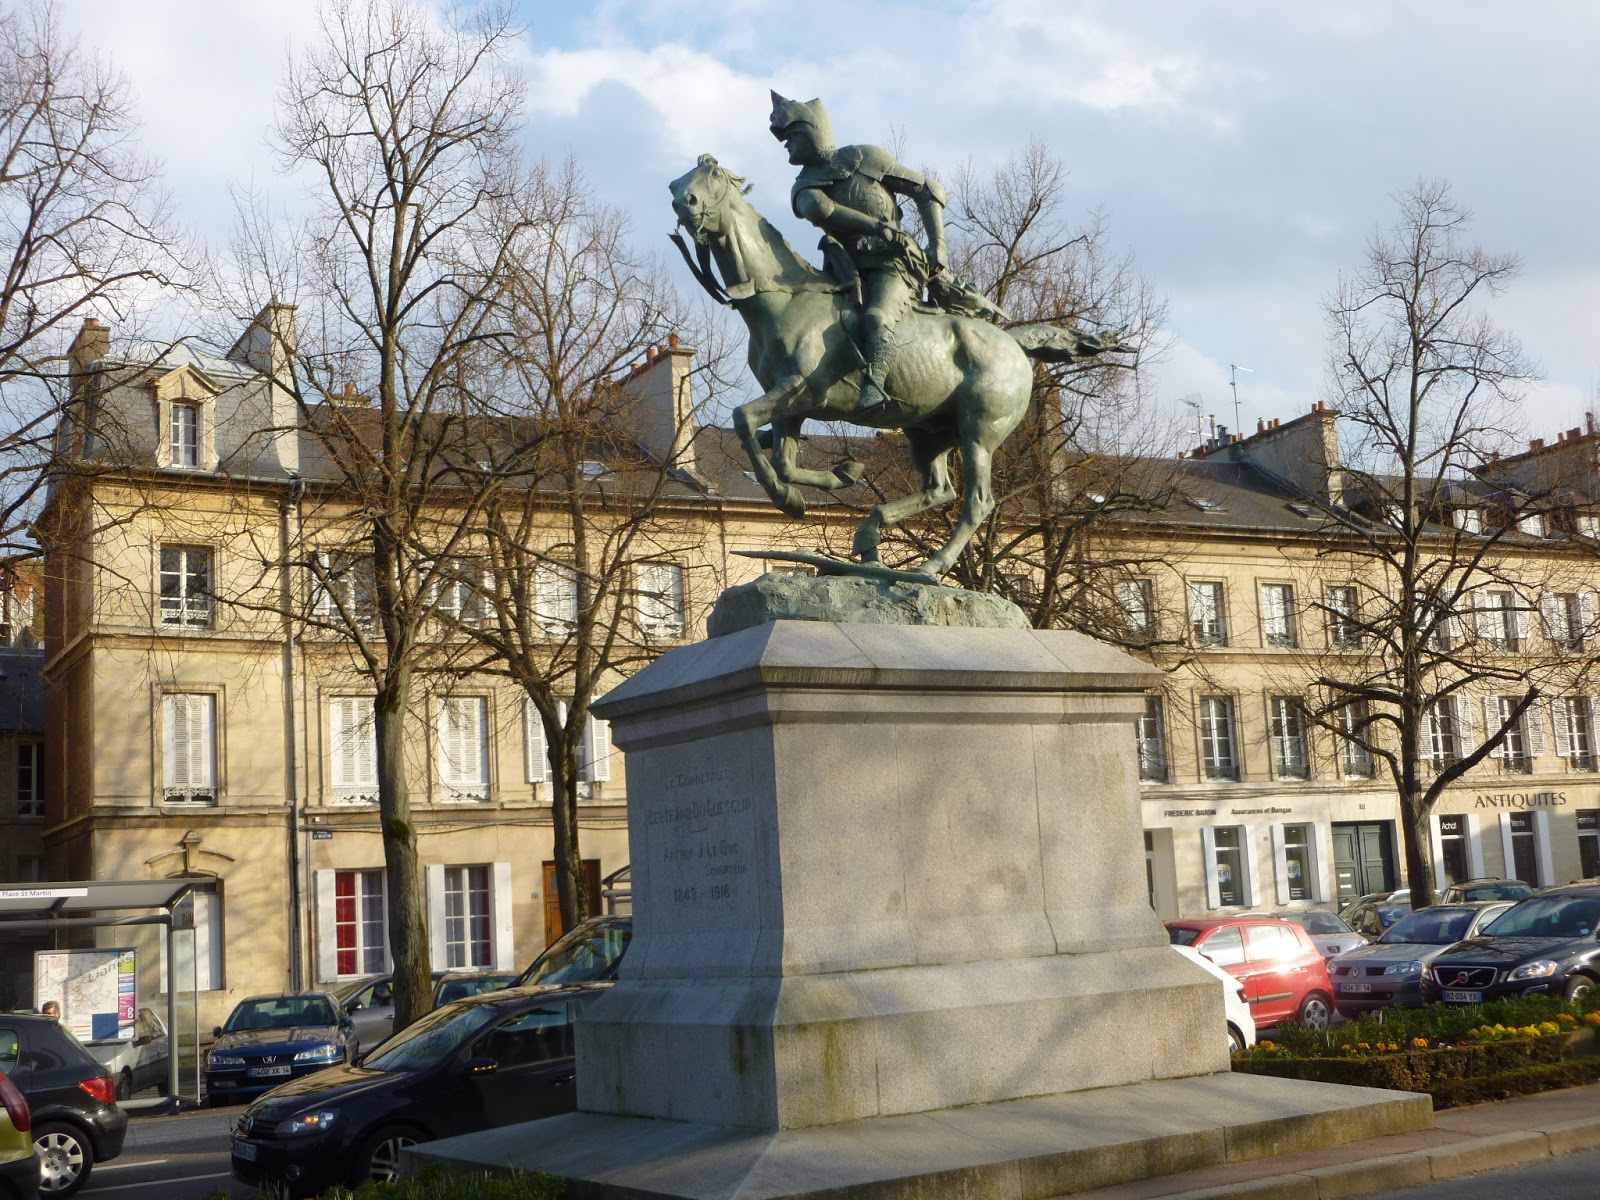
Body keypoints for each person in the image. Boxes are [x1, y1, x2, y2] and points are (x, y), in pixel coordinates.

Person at [769, 93, 949, 412]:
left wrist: (938, 245)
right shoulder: (804, 187)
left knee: (877, 318)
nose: (785, 145)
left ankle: (876, 384)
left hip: (892, 265)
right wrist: (878, 227)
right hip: (843, 270)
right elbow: (821, 209)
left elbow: (928, 189)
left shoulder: (866, 157)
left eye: (790, 136)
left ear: (809, 131)